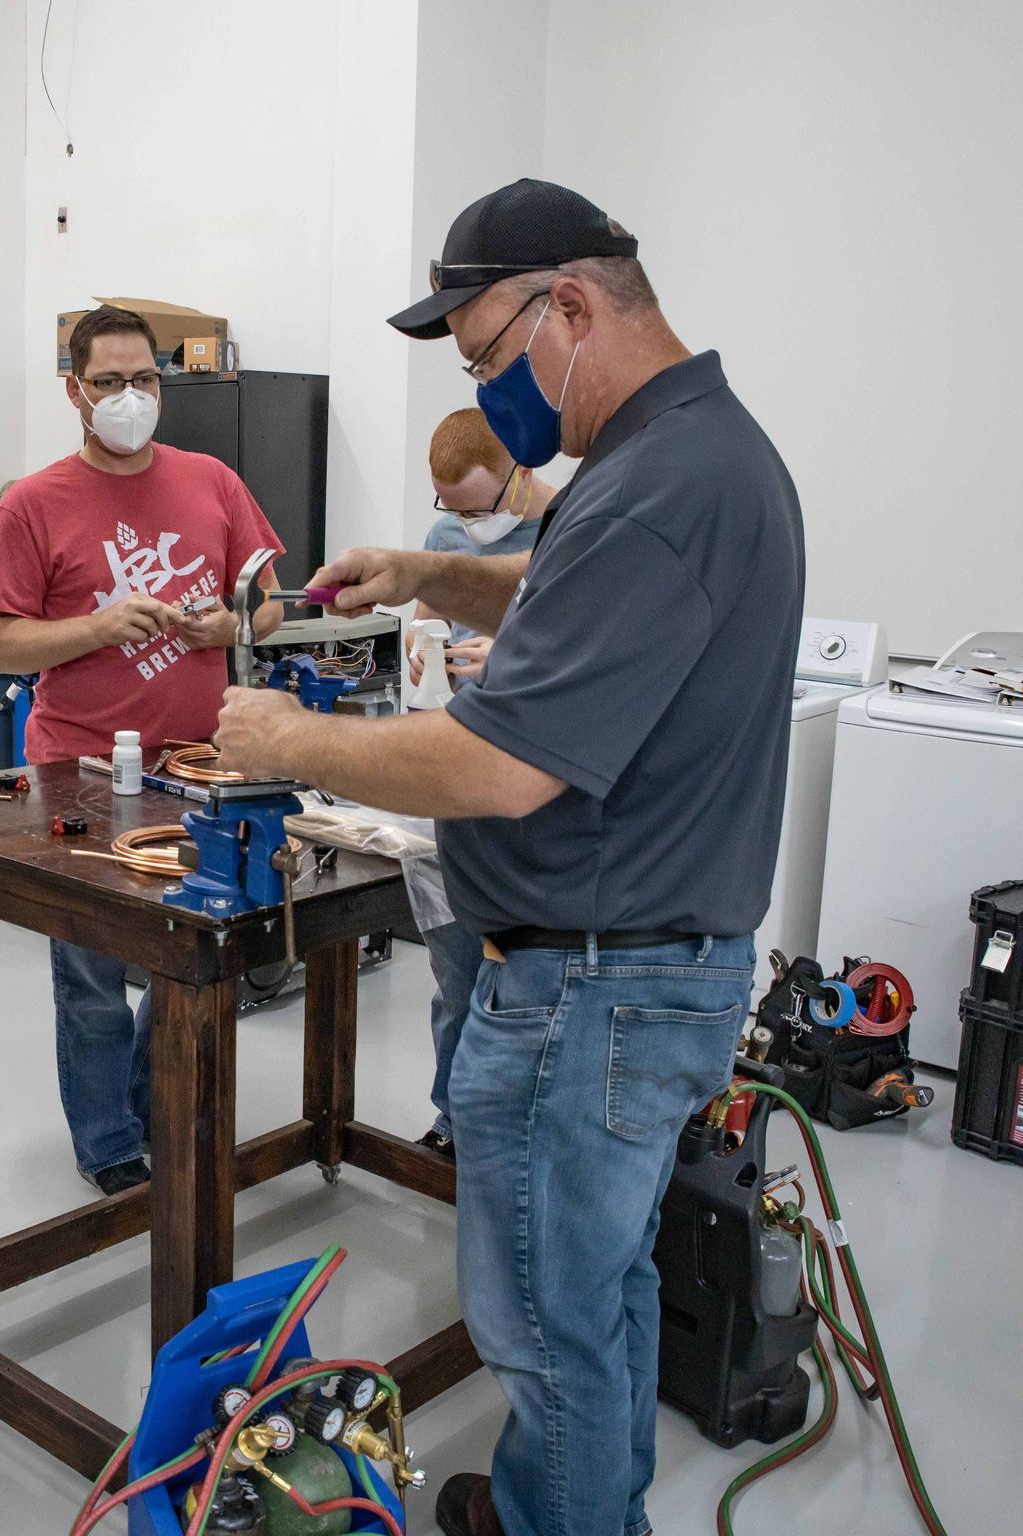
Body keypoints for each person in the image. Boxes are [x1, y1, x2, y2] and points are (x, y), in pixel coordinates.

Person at [213, 178, 804, 1536]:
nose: (489, 391)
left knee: (546, 1329)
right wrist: (431, 576)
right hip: (640, 974)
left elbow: (496, 763)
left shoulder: (658, 486)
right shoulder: (691, 456)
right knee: (600, 1294)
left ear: (574, 305)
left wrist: (289, 738)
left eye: (488, 356)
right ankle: (565, 1506)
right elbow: (568, 596)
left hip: (591, 990)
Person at [0, 304, 283, 1196]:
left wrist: (233, 622)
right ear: (74, 391)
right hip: (85, 772)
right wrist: (95, 626)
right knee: (92, 969)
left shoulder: (213, 482)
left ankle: (152, 1105)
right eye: (109, 382)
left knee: (191, 950)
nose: (130, 397)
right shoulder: (33, 504)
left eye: (145, 379)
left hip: (202, 767)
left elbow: (271, 605)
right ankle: (108, 1144)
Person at [406, 408, 554, 1159]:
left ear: (520, 472)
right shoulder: (445, 537)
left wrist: (512, 651)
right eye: (451, 512)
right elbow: (428, 616)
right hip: (457, 777)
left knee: (530, 984)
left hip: (534, 787)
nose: (466, 526)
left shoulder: (571, 531)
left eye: (478, 509)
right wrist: (420, 648)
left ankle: (517, 1135)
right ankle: (453, 1122)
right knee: (456, 974)